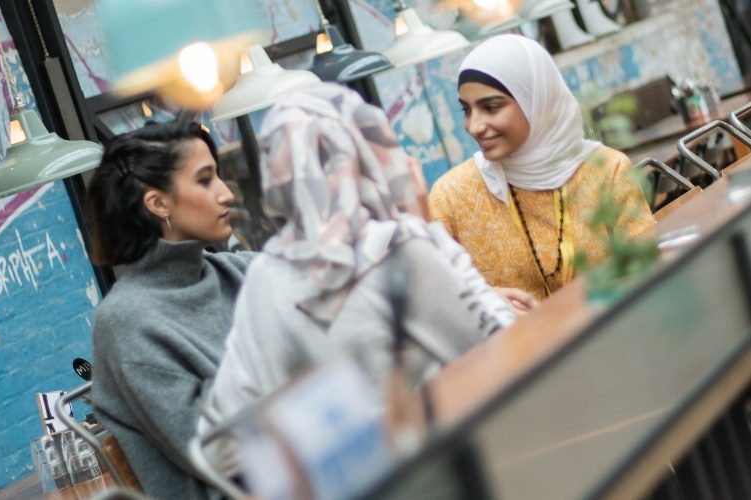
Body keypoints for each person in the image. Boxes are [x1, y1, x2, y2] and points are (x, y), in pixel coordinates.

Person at [203, 84, 517, 434]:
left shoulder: (265, 274)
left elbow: (222, 436)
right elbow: (504, 344)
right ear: (364, 154)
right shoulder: (395, 249)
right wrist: (428, 229)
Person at [84, 120, 254, 498]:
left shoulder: (241, 272)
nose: (226, 194)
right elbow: (220, 453)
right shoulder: (127, 321)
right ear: (158, 203)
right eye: (206, 180)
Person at [428, 34, 654, 300]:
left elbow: (647, 270)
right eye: (466, 110)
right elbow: (432, 298)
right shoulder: (451, 197)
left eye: (491, 107)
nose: (474, 126)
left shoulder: (606, 170)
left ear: (536, 100)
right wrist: (486, 299)